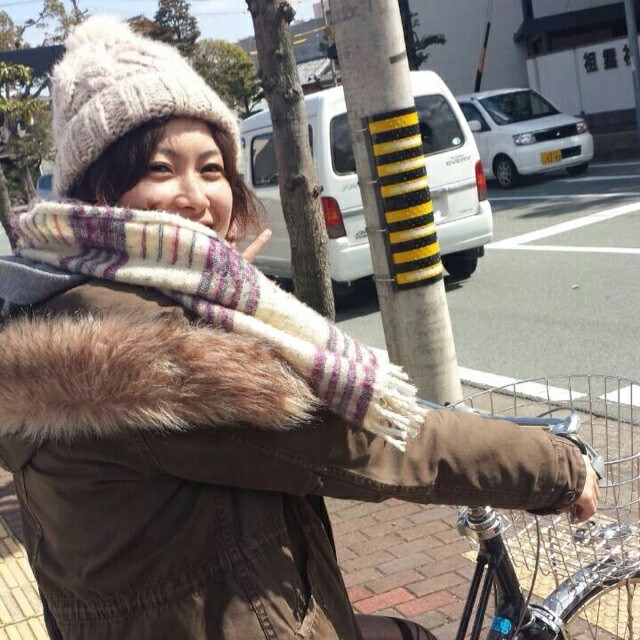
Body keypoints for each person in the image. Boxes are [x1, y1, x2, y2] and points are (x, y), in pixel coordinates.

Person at [0, 17, 598, 640]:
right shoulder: (134, 352)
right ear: (96, 190)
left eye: (212, 169)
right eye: (159, 168)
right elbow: (371, 445)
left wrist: (216, 298)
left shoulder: (55, 301)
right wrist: (557, 470)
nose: (196, 196)